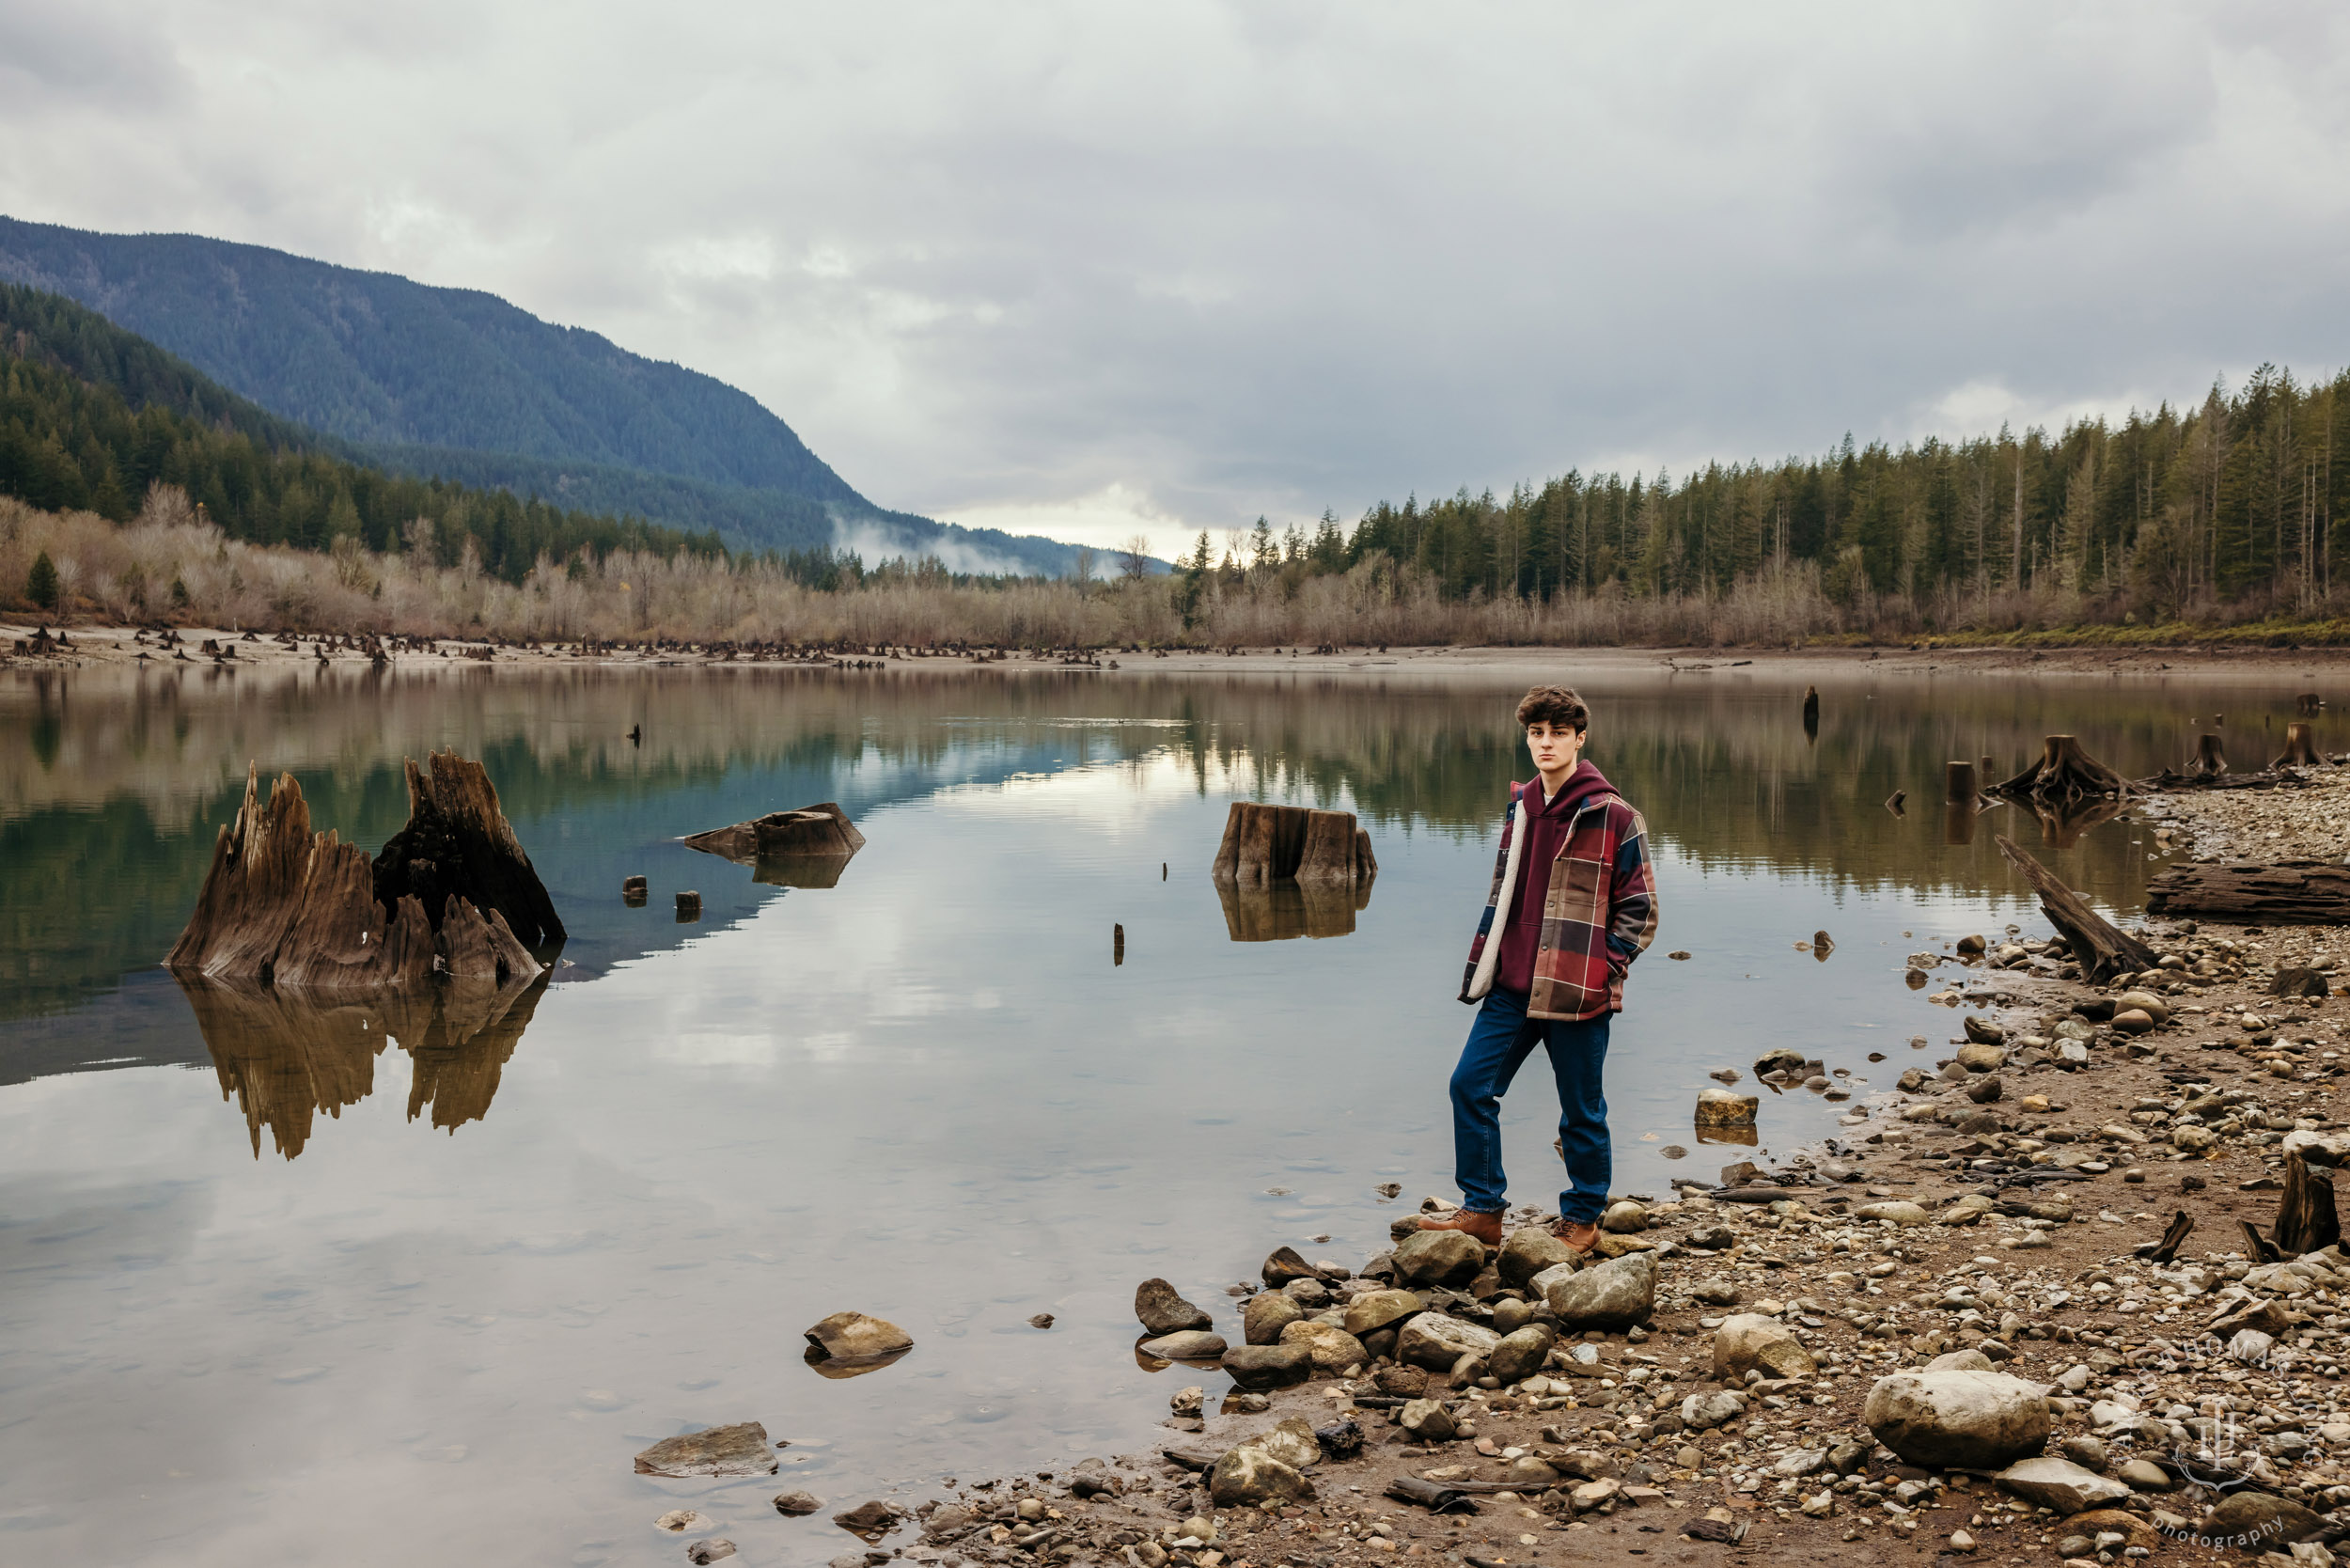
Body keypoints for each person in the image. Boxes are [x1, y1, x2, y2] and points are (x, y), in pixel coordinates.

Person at [1414, 685, 1658, 1251]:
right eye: (1536, 733)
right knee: (1469, 1087)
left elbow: (1640, 910)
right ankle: (1482, 1209)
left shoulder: (1614, 816)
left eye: (1557, 733)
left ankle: (1583, 1217)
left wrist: (1603, 970)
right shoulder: (1521, 806)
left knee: (1581, 1111)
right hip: (1511, 988)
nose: (1545, 743)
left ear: (1580, 738)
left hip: (1575, 991)